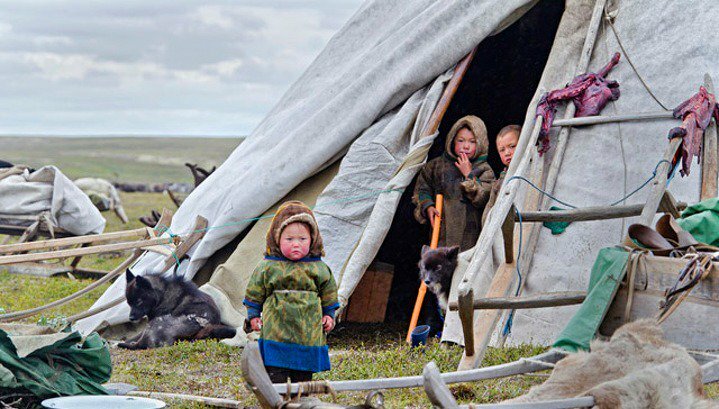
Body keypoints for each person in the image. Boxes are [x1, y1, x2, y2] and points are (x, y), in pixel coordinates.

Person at [243, 200, 339, 383]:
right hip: (276, 328)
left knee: (303, 374)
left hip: (307, 329)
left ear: (313, 239)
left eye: (302, 239)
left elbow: (329, 293)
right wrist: (253, 315)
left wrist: (329, 314)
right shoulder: (268, 266)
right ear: (277, 239)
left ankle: (301, 395)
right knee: (275, 368)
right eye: (289, 239)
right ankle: (277, 393)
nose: (296, 244)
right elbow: (255, 291)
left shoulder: (319, 268)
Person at [412, 115, 495, 251]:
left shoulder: (484, 169)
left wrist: (469, 175)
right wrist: (428, 207)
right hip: (441, 232)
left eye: (472, 142)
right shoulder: (436, 166)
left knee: (464, 267)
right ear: (452, 141)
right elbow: (422, 188)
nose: (466, 146)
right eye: (461, 141)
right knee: (440, 267)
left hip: (471, 236)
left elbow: (485, 198)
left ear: (481, 143)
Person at [482, 124, 521, 224]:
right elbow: (490, 208)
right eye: (502, 150)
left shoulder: (529, 172)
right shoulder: (500, 182)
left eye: (512, 146)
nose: (507, 153)